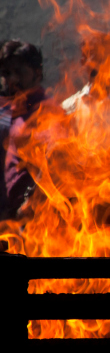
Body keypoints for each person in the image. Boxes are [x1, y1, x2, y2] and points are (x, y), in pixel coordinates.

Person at [0, 40, 49, 219]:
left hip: (29, 220)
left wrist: (30, 205)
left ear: (37, 73)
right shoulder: (8, 109)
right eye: (6, 73)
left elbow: (54, 168)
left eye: (19, 72)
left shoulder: (48, 111)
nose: (12, 79)